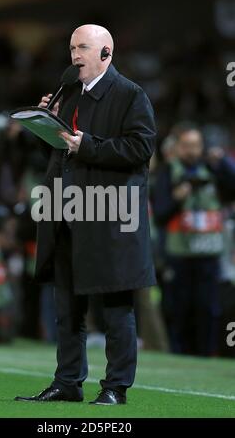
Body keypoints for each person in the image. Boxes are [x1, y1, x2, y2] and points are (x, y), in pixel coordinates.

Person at [15, 24, 156, 405]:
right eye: (72, 47)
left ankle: (115, 388)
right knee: (67, 310)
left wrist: (86, 145)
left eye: (82, 48)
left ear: (106, 54)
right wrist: (50, 122)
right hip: (67, 212)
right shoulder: (71, 94)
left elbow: (140, 148)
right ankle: (67, 383)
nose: (74, 55)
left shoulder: (130, 95)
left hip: (109, 217)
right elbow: (61, 154)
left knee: (114, 310)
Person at [152, 122, 235, 356]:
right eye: (187, 145)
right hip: (179, 254)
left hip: (209, 253)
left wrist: (224, 162)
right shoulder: (169, 172)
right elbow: (159, 214)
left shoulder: (212, 169)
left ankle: (206, 354)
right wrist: (177, 198)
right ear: (177, 147)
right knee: (179, 309)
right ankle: (179, 353)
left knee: (208, 308)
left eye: (196, 145)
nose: (192, 151)